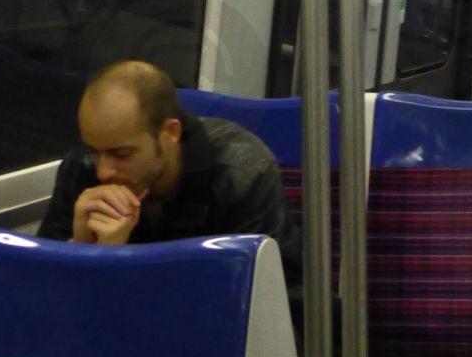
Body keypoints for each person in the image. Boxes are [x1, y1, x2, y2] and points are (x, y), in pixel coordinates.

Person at [37, 59, 291, 267]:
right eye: (95, 151)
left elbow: (260, 301)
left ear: (170, 133)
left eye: (122, 154)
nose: (103, 172)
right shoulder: (81, 167)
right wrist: (78, 249)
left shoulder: (244, 177)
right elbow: (39, 290)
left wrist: (114, 262)